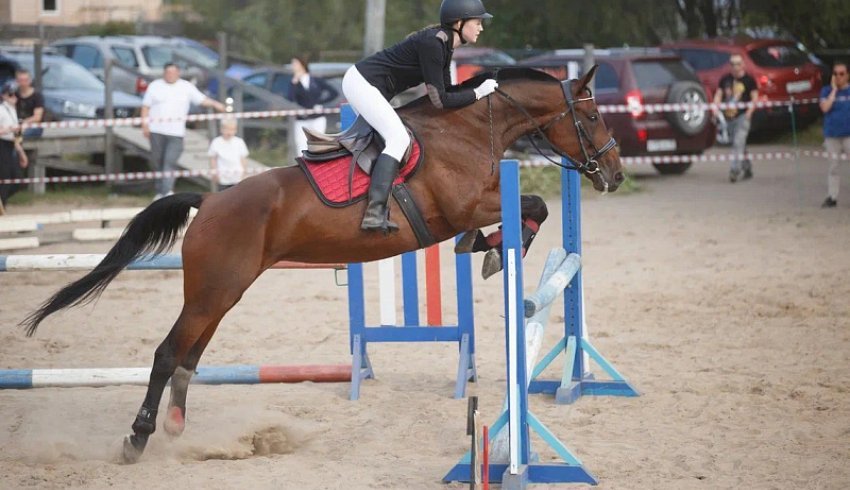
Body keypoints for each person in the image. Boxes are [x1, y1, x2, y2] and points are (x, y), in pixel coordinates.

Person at [342, 0, 498, 232]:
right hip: (362, 84)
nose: (481, 28)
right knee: (398, 139)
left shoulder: (444, 45)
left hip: (371, 87)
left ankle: (376, 202)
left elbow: (448, 92)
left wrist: (479, 88)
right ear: (459, 22)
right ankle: (374, 212)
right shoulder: (433, 44)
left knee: (389, 140)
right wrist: (477, 93)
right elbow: (440, 101)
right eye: (477, 22)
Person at [141, 63, 226, 200]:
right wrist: (145, 125)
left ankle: (167, 191)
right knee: (158, 162)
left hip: (176, 133)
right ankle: (159, 191)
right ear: (164, 73)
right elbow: (145, 107)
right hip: (157, 130)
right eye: (168, 72)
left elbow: (201, 99)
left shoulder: (185, 87)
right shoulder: (155, 86)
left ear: (178, 73)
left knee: (169, 161)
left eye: (173, 72)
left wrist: (216, 104)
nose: (170, 75)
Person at [714, 54, 758, 183]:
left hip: (743, 116)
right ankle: (747, 167)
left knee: (738, 142)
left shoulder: (749, 80)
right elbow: (718, 94)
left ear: (743, 65)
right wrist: (715, 108)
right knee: (739, 144)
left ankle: (734, 170)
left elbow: (755, 98)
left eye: (738, 64)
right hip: (729, 117)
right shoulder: (725, 80)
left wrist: (750, 111)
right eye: (732, 64)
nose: (735, 67)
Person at [289, 56, 339, 155]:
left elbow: (333, 92)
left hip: (317, 117)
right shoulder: (293, 82)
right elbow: (290, 98)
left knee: (318, 143)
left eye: (295, 64)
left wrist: (321, 103)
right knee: (301, 144)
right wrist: (294, 83)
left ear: (302, 65)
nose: (293, 66)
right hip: (302, 119)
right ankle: (303, 167)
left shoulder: (316, 80)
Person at [818, 61, 850, 208]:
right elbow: (825, 108)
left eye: (842, 74)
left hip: (848, 134)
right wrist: (834, 90)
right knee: (833, 167)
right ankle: (832, 196)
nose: (838, 77)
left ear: (847, 75)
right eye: (835, 74)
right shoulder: (826, 91)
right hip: (832, 134)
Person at [0, 81, 29, 212]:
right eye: (11, 95)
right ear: (4, 96)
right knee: (5, 178)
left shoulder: (13, 110)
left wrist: (21, 153)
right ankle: (3, 207)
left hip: (11, 144)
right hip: (2, 145)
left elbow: (15, 135)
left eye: (16, 94)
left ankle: (2, 202)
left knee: (18, 180)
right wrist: (7, 129)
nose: (14, 97)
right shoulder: (1, 110)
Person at [208, 118, 249, 191]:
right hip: (223, 177)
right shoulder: (216, 142)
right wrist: (214, 172)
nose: (229, 132)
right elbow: (213, 159)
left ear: (235, 130)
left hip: (237, 177)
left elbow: (243, 159)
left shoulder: (239, 142)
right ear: (221, 129)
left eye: (232, 129)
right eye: (227, 129)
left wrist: (244, 173)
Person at [15, 68, 44, 139]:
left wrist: (24, 123)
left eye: (26, 80)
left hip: (33, 127)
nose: (23, 83)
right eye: (20, 80)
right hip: (16, 125)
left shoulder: (37, 96)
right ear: (16, 81)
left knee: (17, 135)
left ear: (30, 80)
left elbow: (37, 117)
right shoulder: (14, 94)